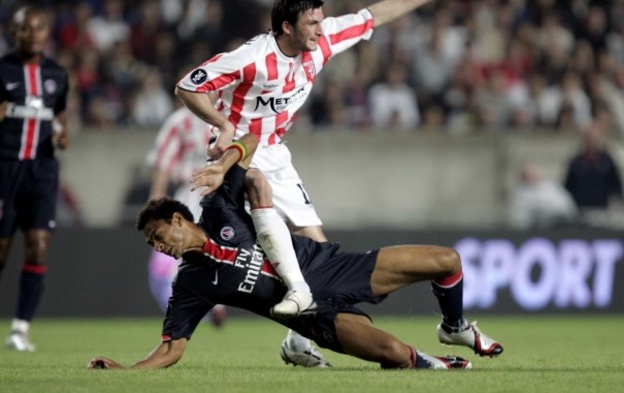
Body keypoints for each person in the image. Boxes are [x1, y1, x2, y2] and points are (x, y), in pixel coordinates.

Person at [175, 0, 466, 366]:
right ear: (287, 27)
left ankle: (299, 339)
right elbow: (188, 85)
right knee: (265, 240)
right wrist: (222, 123)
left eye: (320, 20)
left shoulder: (323, 40)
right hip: (237, 158)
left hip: (275, 152)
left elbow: (373, 16)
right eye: (312, 22)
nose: (320, 27)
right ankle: (287, 324)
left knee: (322, 254)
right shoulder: (251, 58)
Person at [87, 133, 503, 371]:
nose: (159, 247)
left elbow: (249, 140)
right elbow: (171, 349)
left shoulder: (217, 209)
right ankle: (438, 363)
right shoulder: (191, 283)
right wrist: (127, 372)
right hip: (314, 316)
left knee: (447, 261)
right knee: (395, 356)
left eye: (159, 236)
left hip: (331, 268)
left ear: (179, 219)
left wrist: (223, 163)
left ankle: (454, 325)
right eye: (152, 245)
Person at [0, 6, 69, 352]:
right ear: (15, 33)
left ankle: (20, 330)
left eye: (39, 28)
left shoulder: (57, 73)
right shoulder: (3, 70)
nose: (33, 34)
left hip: (41, 171)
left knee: (38, 245)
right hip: (5, 168)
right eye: (26, 29)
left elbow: (58, 117)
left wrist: (61, 134)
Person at [146, 105, 226, 325]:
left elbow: (164, 161)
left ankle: (196, 303)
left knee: (192, 250)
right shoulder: (181, 121)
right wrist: (158, 198)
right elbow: (164, 162)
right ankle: (208, 303)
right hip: (195, 193)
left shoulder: (225, 115)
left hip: (214, 192)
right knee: (199, 248)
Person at [564, 122, 624, 211]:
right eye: (590, 138)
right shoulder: (576, 162)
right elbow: (567, 186)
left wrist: (622, 202)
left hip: (601, 209)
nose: (592, 141)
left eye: (595, 138)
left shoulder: (607, 161)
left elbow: (617, 184)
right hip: (580, 209)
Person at [508, 163, 578, 228]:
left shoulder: (550, 187)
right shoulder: (521, 194)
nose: (532, 177)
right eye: (528, 175)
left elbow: (565, 204)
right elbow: (518, 219)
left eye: (533, 173)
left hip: (561, 223)